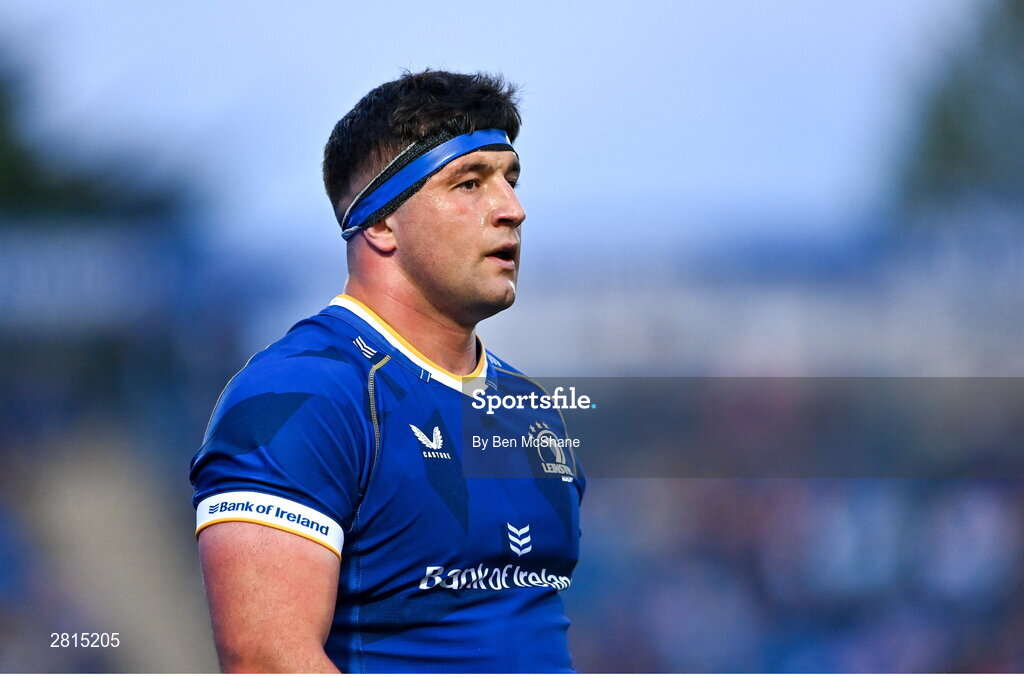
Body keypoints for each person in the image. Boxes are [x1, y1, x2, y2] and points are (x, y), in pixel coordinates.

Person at [189, 69, 584, 673]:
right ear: (378, 222)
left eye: (511, 180)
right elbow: (267, 661)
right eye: (470, 183)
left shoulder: (531, 412)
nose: (513, 209)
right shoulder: (300, 398)